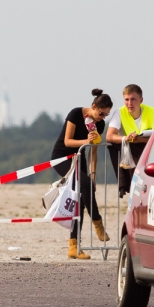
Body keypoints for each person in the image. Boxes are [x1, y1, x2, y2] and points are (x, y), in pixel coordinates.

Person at [50, 88, 113, 259]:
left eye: (106, 115)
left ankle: (74, 246)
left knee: (85, 194)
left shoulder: (99, 125)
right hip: (62, 157)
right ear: (93, 106)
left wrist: (93, 174)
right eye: (101, 113)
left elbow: (93, 151)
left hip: (80, 157)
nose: (102, 117)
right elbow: (68, 141)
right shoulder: (76, 114)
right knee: (83, 185)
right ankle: (98, 222)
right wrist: (87, 140)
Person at [105, 84, 154, 197]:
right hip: (130, 150)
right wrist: (125, 138)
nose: (129, 103)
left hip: (147, 150)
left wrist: (140, 140)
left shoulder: (152, 112)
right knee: (112, 146)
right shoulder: (119, 112)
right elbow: (109, 136)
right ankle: (124, 185)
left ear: (141, 100)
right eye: (126, 99)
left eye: (133, 99)